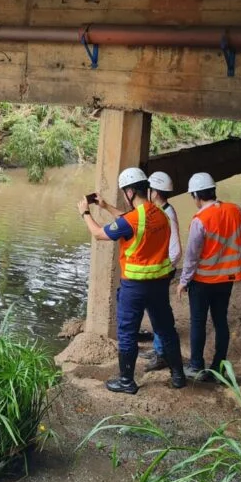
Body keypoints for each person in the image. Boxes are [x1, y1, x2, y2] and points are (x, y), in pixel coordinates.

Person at [79, 168, 187, 393]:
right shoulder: (161, 214)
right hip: (158, 284)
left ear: (129, 191)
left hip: (135, 287)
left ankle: (127, 381)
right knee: (166, 329)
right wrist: (106, 206)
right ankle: (178, 375)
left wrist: (85, 213)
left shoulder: (134, 219)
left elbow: (100, 234)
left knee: (127, 332)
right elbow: (130, 222)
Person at [177, 172, 241, 382]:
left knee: (198, 322)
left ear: (196, 195)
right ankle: (219, 365)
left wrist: (183, 282)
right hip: (227, 279)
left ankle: (196, 366)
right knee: (220, 320)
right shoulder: (235, 211)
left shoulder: (200, 220)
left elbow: (192, 257)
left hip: (202, 281)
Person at [139, 171, 181, 373]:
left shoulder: (167, 214)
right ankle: (158, 350)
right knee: (154, 311)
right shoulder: (161, 210)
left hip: (162, 272)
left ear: (154, 192)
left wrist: (163, 269)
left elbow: (175, 250)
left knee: (159, 313)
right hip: (160, 270)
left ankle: (161, 354)